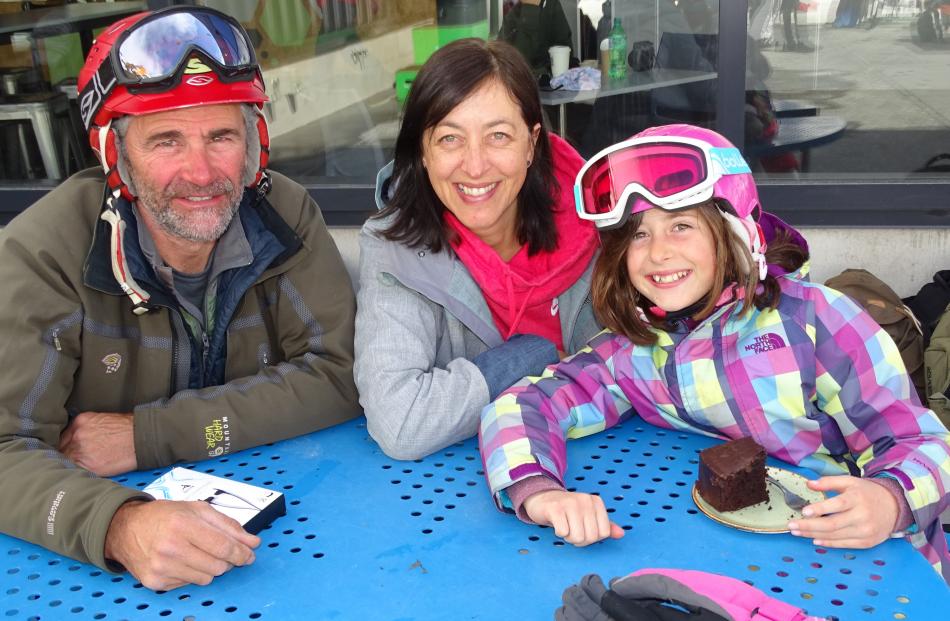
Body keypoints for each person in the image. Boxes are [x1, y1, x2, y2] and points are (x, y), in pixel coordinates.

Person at [479, 124, 950, 581]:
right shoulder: (633, 348)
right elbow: (524, 405)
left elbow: (925, 444)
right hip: (732, 562)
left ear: (733, 233)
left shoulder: (817, 325)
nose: (658, 252)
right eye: (639, 234)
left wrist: (890, 500)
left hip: (865, 560)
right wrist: (539, 492)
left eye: (681, 225)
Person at [0, 7, 360, 590]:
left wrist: (148, 435)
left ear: (253, 145)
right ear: (115, 156)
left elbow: (342, 376)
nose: (200, 172)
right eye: (165, 140)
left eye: (221, 136)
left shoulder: (284, 216)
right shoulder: (42, 254)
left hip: (289, 538)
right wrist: (118, 524)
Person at [354, 38, 601, 460]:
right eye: (450, 139)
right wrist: (535, 354)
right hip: (462, 487)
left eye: (499, 136)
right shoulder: (396, 247)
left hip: (608, 463)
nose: (474, 165)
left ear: (531, 143)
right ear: (423, 151)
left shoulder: (598, 217)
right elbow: (402, 422)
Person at [499, 0, 575, 82]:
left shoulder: (551, 4)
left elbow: (565, 50)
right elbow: (509, 60)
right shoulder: (512, 6)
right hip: (517, 83)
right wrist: (530, 8)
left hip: (549, 83)